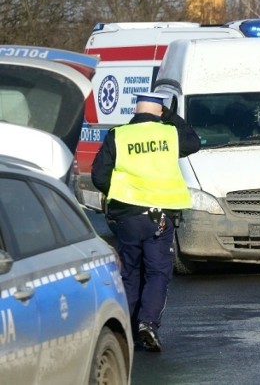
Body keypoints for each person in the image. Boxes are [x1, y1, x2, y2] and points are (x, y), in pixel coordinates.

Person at [91, 92, 200, 352]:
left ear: (135, 109)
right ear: (160, 111)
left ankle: (125, 329)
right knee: (157, 272)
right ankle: (148, 324)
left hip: (128, 216)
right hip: (160, 217)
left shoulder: (119, 136)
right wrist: (172, 117)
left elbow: (98, 175)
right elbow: (194, 142)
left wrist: (119, 191)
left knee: (129, 273)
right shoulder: (169, 134)